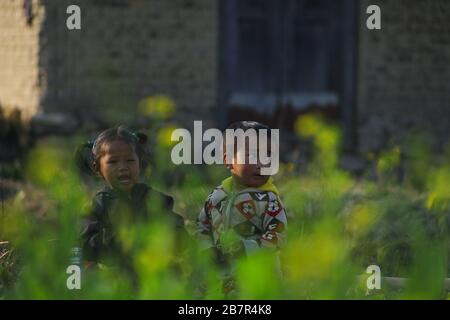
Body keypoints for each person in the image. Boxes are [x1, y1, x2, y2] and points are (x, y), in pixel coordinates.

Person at [75, 125, 186, 287]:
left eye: (130, 160)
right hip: (113, 281)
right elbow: (86, 244)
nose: (123, 167)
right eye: (113, 161)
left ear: (140, 163)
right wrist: (125, 240)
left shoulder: (154, 199)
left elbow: (177, 229)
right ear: (98, 168)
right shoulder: (96, 207)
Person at [196, 121, 288, 295]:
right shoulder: (216, 197)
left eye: (268, 156)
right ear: (228, 160)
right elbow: (202, 227)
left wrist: (247, 248)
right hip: (220, 276)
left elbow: (278, 234)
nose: (261, 163)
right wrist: (206, 251)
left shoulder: (269, 200)